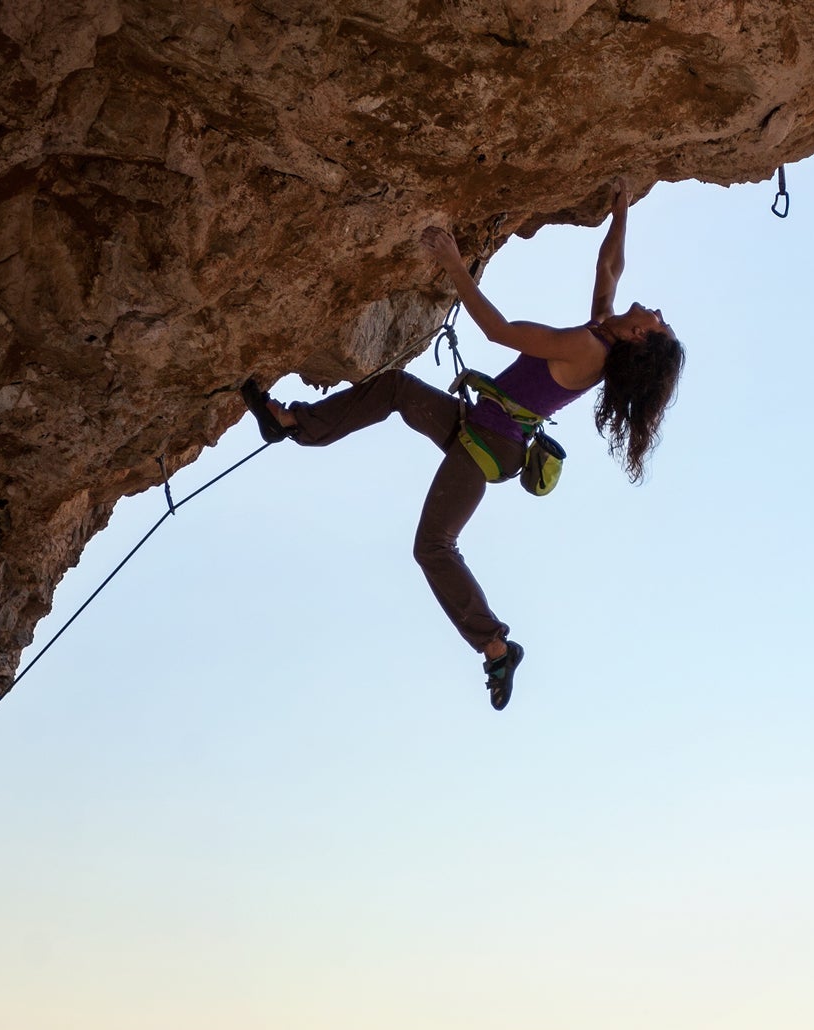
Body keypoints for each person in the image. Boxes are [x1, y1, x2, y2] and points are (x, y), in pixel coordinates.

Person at [240, 182, 684, 710]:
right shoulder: (604, 332)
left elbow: (498, 331)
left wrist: (454, 265)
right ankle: (293, 424)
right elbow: (609, 270)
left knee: (432, 546)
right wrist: (621, 214)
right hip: (480, 426)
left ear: (641, 338)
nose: (656, 311)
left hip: (489, 447)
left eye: (660, 322)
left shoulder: (585, 347)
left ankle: (496, 645)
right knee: (396, 389)